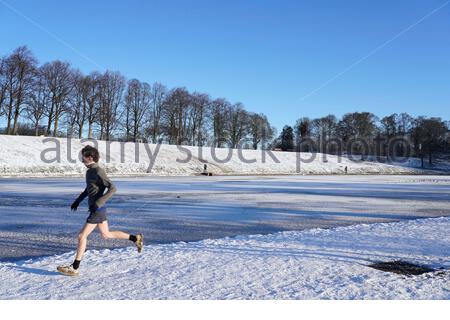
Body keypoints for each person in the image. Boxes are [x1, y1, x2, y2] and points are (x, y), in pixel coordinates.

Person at [57, 145, 143, 276]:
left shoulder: (98, 171)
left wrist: (98, 202)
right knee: (106, 234)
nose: (81, 160)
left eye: (83, 157)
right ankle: (135, 238)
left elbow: (113, 188)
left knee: (82, 236)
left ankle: (75, 267)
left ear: (90, 157)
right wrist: (78, 200)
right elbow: (88, 189)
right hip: (98, 209)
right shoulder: (89, 172)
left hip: (98, 209)